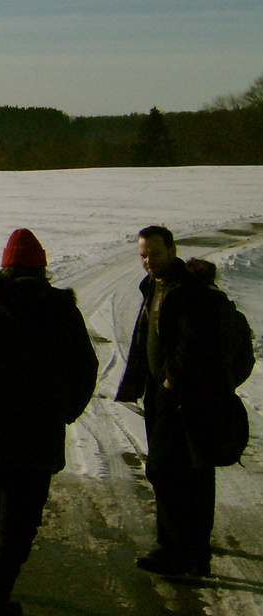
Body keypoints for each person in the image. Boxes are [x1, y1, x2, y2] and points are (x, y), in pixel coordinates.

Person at [0, 228, 98, 616]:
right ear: (43, 269)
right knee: (22, 517)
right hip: (37, 433)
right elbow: (86, 368)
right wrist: (66, 411)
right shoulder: (62, 309)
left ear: (5, 266)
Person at [115, 224, 245, 578]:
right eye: (143, 255)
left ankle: (186, 553)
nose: (148, 261)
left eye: (154, 254)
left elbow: (191, 342)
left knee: (186, 475)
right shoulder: (154, 286)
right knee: (169, 472)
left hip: (186, 398)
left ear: (172, 251)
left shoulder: (188, 291)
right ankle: (178, 549)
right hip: (161, 396)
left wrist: (172, 381)